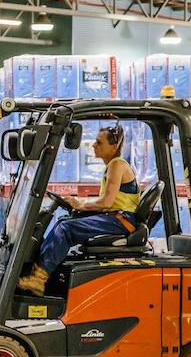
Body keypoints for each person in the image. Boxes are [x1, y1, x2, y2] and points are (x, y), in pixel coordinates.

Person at [17, 123, 139, 297]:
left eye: (99, 142)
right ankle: (39, 273)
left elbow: (107, 201)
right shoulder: (112, 165)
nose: (94, 146)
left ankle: (38, 279)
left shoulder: (117, 165)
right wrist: (78, 205)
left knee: (65, 229)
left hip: (121, 220)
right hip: (115, 218)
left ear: (114, 146)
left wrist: (80, 204)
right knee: (63, 222)